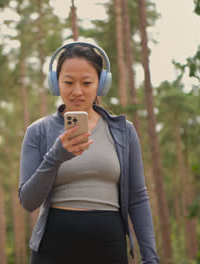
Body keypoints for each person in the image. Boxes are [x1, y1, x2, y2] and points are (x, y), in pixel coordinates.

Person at [19, 41, 159, 264]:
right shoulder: (38, 132)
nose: (77, 91)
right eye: (68, 82)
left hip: (109, 248)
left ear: (101, 84)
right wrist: (55, 156)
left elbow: (138, 198)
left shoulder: (124, 132)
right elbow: (28, 201)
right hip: (53, 249)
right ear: (55, 84)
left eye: (86, 82)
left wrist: (150, 258)